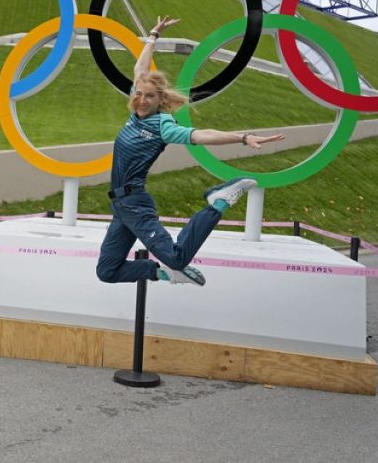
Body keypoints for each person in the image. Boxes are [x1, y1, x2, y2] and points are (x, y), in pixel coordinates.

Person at [96, 16, 284, 287]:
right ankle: (162, 273)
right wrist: (153, 36)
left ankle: (217, 203)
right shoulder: (135, 110)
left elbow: (202, 134)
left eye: (150, 96)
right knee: (107, 271)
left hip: (135, 203)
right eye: (139, 94)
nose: (142, 100)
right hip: (120, 206)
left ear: (161, 99)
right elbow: (140, 67)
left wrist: (242, 137)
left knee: (177, 256)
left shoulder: (162, 125)